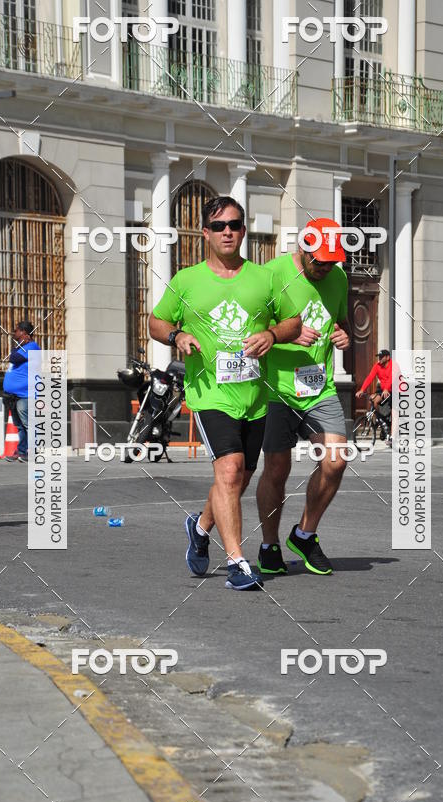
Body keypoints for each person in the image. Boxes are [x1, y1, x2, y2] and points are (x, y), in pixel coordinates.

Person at [149, 196, 301, 590]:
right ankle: (237, 561)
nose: (227, 232)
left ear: (244, 230)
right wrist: (177, 334)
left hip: (255, 396)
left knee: (239, 477)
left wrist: (271, 334)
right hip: (210, 393)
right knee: (230, 470)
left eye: (234, 225)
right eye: (219, 226)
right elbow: (156, 320)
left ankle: (199, 528)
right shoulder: (187, 280)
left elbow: (293, 322)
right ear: (206, 233)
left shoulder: (265, 279)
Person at [255, 218, 351, 576]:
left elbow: (338, 321)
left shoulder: (337, 278)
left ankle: (305, 534)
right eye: (320, 261)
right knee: (277, 470)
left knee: (336, 460)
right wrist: (285, 335)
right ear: (303, 249)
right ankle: (269, 545)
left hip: (317, 388)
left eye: (332, 262)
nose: (326, 268)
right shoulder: (272, 274)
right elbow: (249, 331)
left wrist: (342, 336)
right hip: (275, 389)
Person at [2, 321, 40, 463]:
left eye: (16, 331)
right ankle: (21, 451)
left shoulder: (32, 347)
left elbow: (14, 357)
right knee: (20, 425)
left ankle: (31, 452)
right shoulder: (22, 347)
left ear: (24, 333)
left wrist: (15, 349)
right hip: (14, 395)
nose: (14, 333)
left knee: (28, 424)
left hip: (25, 394)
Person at [356, 349, 393, 443]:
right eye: (379, 357)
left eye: (381, 357)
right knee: (373, 399)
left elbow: (391, 378)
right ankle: (380, 420)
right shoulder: (377, 366)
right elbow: (370, 377)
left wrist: (386, 389)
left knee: (394, 412)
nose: (379, 359)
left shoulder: (392, 366)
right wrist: (362, 390)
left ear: (387, 357)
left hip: (394, 389)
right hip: (383, 389)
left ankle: (391, 434)